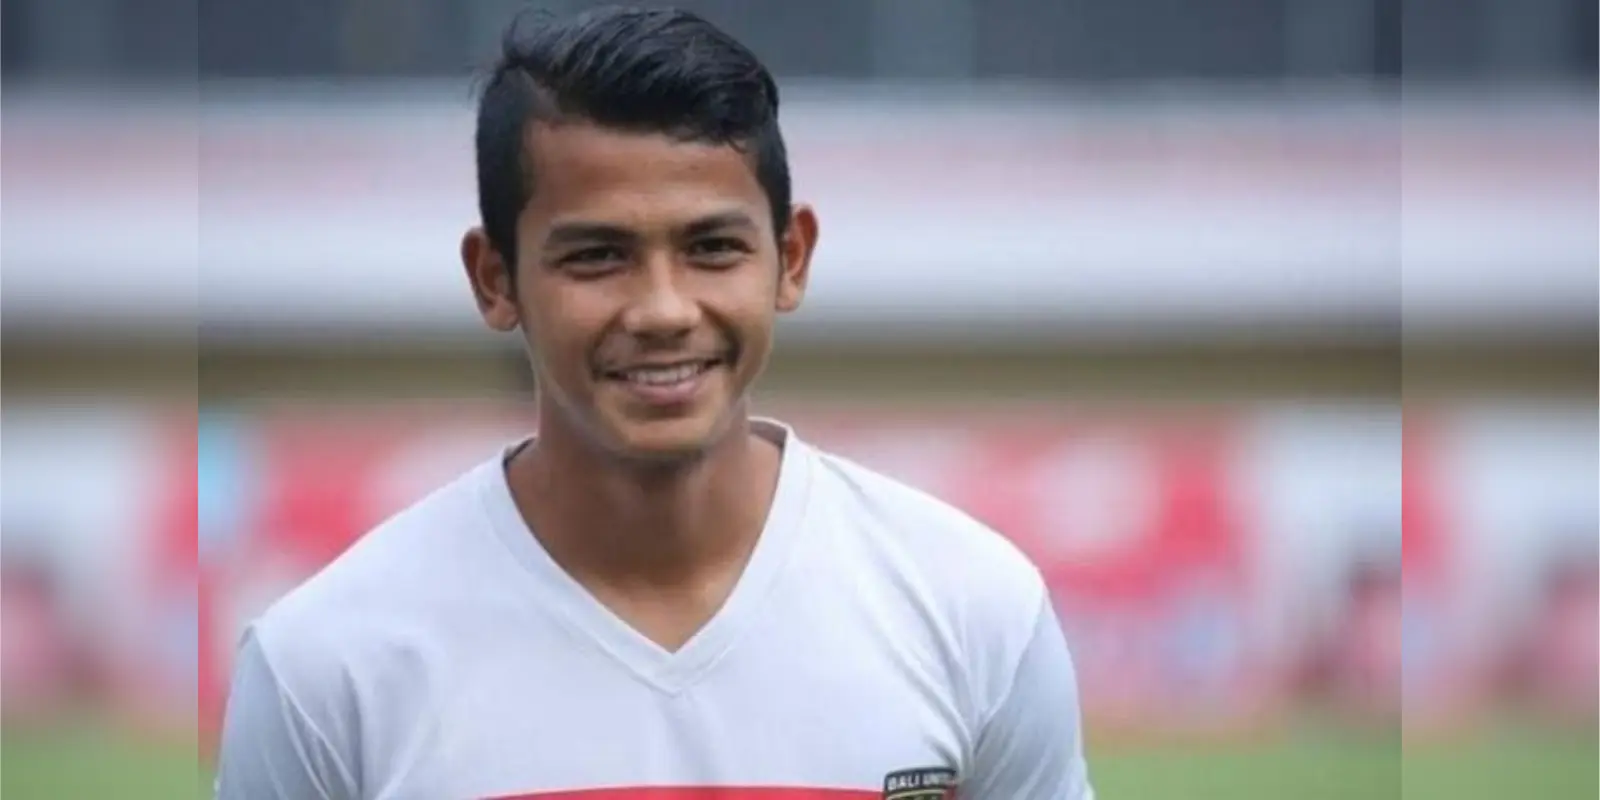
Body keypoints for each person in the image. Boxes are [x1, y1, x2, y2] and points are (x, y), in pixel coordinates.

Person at [213, 6, 1093, 798]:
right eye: (597, 256)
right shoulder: (327, 666)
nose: (664, 310)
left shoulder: (971, 609)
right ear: (495, 279)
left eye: (712, 248)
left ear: (790, 258)